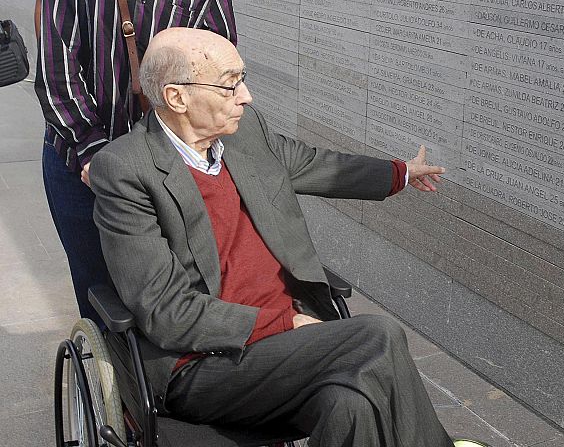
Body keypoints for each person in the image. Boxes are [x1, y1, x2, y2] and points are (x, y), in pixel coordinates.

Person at [90, 28, 484, 446]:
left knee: (350, 403)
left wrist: (400, 174)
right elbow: (167, 313)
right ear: (177, 97)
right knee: (377, 336)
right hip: (204, 362)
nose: (247, 96)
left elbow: (313, 164)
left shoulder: (243, 134)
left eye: (242, 79)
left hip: (290, 347)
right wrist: (284, 321)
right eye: (230, 85)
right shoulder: (126, 170)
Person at [35, 0, 236, 323]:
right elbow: (57, 61)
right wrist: (94, 159)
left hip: (167, 173)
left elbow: (219, 65)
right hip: (82, 164)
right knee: (105, 305)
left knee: (172, 300)